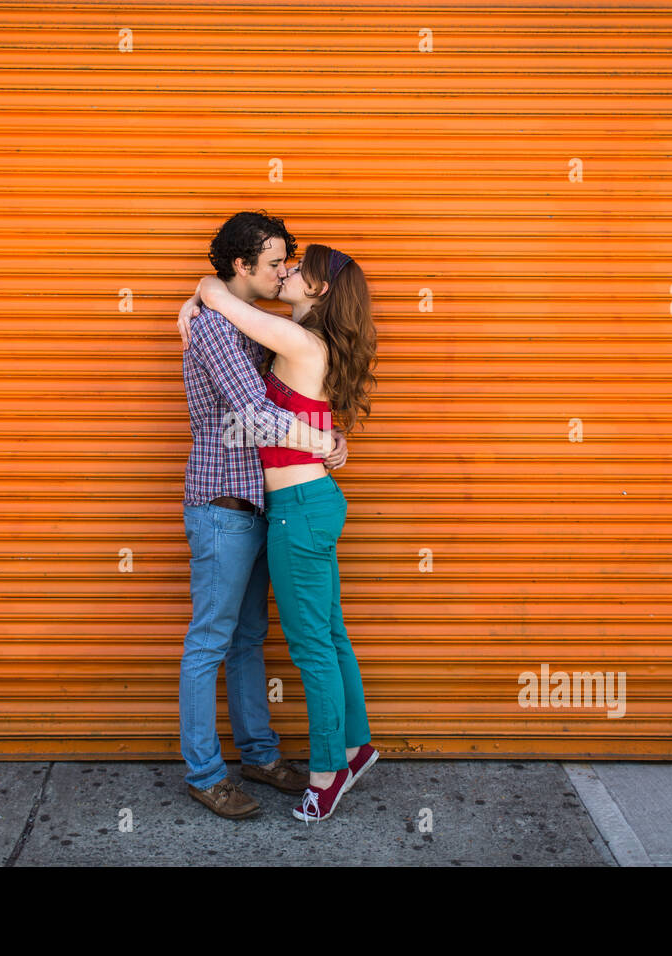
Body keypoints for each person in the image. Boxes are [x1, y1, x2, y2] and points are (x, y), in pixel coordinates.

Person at [179, 241, 379, 823]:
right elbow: (295, 406)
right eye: (278, 265)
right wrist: (328, 440)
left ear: (318, 289)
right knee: (330, 635)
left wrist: (202, 293)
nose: (286, 273)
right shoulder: (293, 339)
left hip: (296, 505)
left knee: (312, 645)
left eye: (296, 270)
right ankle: (353, 746)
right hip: (298, 502)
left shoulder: (295, 338)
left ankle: (327, 775)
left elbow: (221, 295)